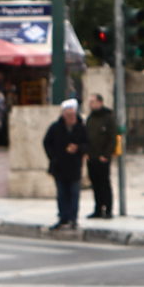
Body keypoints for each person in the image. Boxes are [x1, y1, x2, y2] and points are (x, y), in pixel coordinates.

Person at [42, 97, 87, 230]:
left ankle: (73, 219)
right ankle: (63, 218)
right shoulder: (55, 128)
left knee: (74, 193)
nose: (71, 117)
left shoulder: (81, 128)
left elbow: (87, 144)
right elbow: (46, 143)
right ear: (63, 115)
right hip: (59, 167)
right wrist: (53, 157)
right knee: (62, 194)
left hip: (74, 166)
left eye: (73, 115)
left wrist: (78, 148)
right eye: (68, 115)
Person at [84, 92, 118, 218]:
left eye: (93, 102)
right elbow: (86, 136)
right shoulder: (91, 118)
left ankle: (108, 209)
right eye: (90, 102)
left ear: (100, 102)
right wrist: (86, 152)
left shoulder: (108, 117)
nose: (90, 104)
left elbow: (112, 138)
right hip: (91, 156)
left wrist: (106, 154)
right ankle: (98, 209)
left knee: (104, 183)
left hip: (103, 157)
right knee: (95, 183)